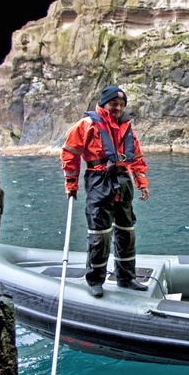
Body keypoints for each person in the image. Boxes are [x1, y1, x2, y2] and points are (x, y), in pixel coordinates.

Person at [61, 85, 150, 298]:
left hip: (122, 180)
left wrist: (141, 183)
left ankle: (126, 278)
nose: (117, 107)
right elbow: (70, 153)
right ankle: (95, 280)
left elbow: (136, 157)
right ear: (104, 103)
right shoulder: (86, 125)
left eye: (121, 104)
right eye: (113, 103)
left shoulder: (127, 128)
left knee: (126, 232)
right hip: (98, 180)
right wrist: (71, 184)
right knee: (99, 235)